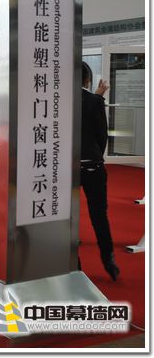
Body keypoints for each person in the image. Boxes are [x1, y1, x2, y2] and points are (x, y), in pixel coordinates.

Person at [81, 62, 119, 281]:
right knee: (98, 215)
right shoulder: (95, 101)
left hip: (64, 169)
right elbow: (101, 136)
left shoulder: (57, 99)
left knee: (64, 216)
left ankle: (73, 263)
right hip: (92, 165)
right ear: (87, 80)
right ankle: (108, 259)